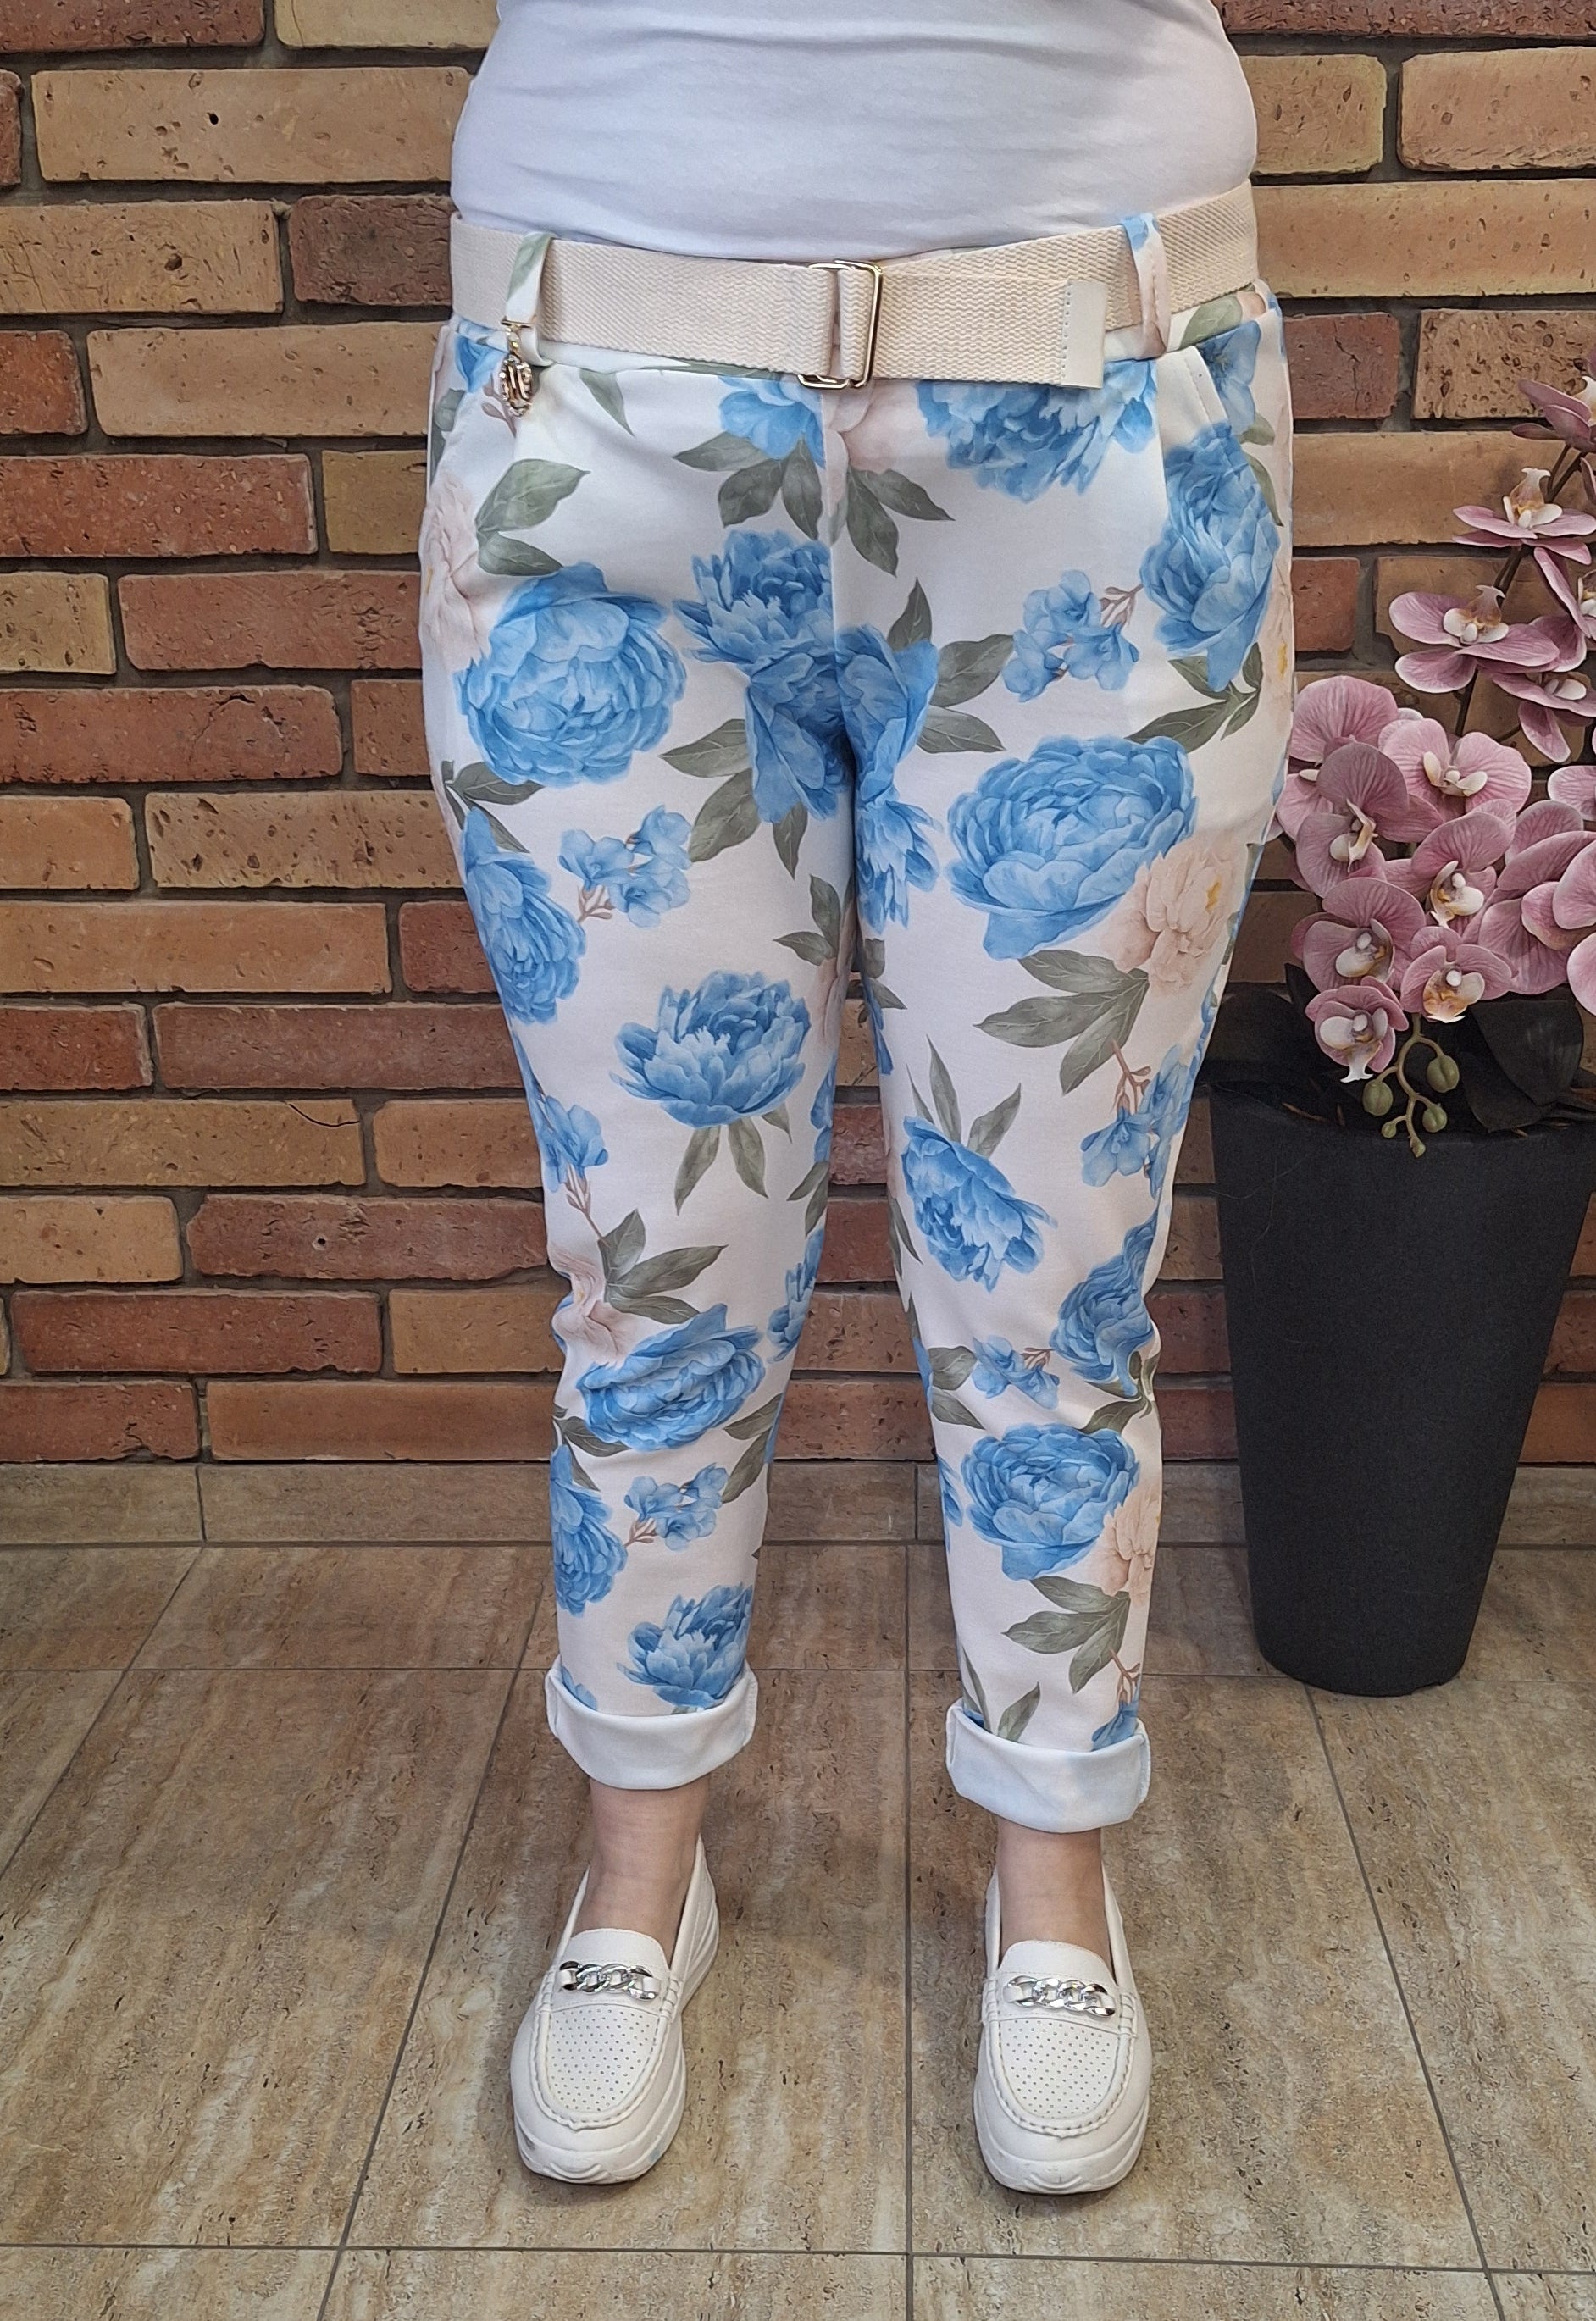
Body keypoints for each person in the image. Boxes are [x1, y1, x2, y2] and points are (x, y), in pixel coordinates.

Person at [420, 0, 1294, 2196]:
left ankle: (1052, 1881)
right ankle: (639, 1875)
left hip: (1093, 400)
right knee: (654, 1260)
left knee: (1053, 1270)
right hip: (594, 390)